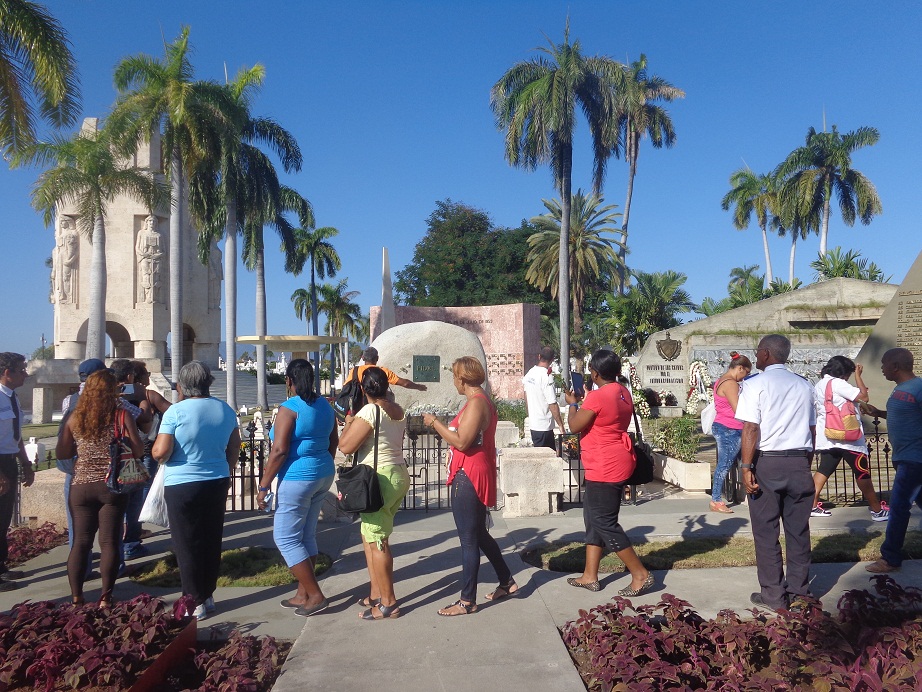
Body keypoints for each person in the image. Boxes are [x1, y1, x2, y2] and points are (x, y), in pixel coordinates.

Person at [423, 357, 517, 615]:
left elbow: (463, 442)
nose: (453, 381)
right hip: (474, 469)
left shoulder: (476, 403)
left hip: (470, 474)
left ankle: (467, 601)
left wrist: (435, 423)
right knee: (479, 534)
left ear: (462, 379)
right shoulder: (480, 401)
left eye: (454, 376)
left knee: (468, 540)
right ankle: (507, 581)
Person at [152, 361, 240, 620]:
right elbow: (234, 446)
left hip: (183, 483)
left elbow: (160, 451)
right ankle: (207, 593)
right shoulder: (225, 409)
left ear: (181, 386)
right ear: (208, 382)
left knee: (186, 542)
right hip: (216, 480)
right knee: (211, 539)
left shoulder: (175, 412)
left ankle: (194, 599)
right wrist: (225, 467)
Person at [563, 349, 654, 596]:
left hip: (605, 464)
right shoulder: (622, 391)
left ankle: (640, 574)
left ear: (594, 373)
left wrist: (573, 404)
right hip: (614, 459)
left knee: (604, 521)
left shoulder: (597, 397)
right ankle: (590, 576)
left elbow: (574, 426)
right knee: (593, 520)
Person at [736, 334, 816, 612]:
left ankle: (773, 595)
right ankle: (799, 592)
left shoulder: (755, 384)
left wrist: (746, 467)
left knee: (766, 532)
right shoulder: (805, 385)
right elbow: (812, 430)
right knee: (798, 531)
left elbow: (750, 428)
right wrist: (805, 462)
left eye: (758, 353)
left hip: (768, 462)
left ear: (767, 354)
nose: (755, 357)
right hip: (799, 462)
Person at [256, 359, 337, 618]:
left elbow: (279, 450)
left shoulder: (289, 409)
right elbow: (333, 441)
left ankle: (315, 595)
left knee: (286, 538)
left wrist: (264, 484)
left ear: (289, 381)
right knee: (306, 535)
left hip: (297, 479)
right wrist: (321, 463)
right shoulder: (325, 405)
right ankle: (303, 594)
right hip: (322, 473)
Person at [56, 370, 144, 605]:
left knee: (81, 542)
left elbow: (62, 452)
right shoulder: (120, 415)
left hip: (81, 485)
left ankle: (76, 596)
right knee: (109, 541)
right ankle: (106, 597)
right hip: (110, 484)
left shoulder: (75, 417)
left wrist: (82, 452)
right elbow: (138, 450)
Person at [339, 367, 411, 621]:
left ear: (362, 389)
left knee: (378, 540)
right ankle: (376, 592)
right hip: (397, 473)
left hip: (378, 478)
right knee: (370, 534)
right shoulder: (397, 409)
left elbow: (346, 446)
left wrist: (349, 423)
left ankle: (389, 603)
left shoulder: (370, 411)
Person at [864, 348, 922, 573]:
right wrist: (878, 413)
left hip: (914, 460)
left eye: (883, 364)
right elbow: (907, 414)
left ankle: (890, 558)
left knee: (898, 507)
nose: (881, 368)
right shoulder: (900, 390)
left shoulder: (918, 388)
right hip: (905, 458)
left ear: (895, 366)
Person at [810, 356, 888, 521]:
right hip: (848, 437)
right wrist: (859, 376)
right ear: (843, 372)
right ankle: (877, 510)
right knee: (862, 472)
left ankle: (812, 505)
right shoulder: (838, 383)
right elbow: (863, 397)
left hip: (829, 436)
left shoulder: (820, 384)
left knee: (824, 469)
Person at [123, 360, 172, 558]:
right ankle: (133, 533)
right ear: (137, 376)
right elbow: (173, 410)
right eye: (146, 374)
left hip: (125, 451)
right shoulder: (148, 395)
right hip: (145, 448)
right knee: (141, 490)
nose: (149, 378)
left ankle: (132, 529)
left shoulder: (119, 396)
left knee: (128, 493)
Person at [0, 352, 35, 592]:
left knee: (3, 519)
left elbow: (17, 436)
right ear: (6, 372)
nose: (26, 373)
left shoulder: (13, 397)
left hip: (10, 461)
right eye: (21, 370)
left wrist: (26, 463)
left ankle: (2, 567)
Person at [709, 352, 753, 513]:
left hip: (724, 426)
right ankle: (716, 500)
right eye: (745, 373)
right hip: (730, 428)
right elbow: (738, 410)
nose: (744, 377)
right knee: (724, 465)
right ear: (740, 368)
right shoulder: (731, 384)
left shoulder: (721, 380)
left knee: (734, 464)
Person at [344, 347, 427, 412]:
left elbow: (345, 389)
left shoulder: (354, 371)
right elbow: (405, 383)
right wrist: (419, 386)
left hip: (358, 408)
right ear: (377, 358)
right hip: (377, 408)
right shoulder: (382, 371)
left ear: (362, 358)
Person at [522, 346, 565, 449]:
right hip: (544, 426)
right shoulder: (546, 377)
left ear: (539, 356)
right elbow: (552, 404)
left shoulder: (529, 374)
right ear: (552, 360)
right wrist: (560, 425)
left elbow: (526, 396)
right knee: (548, 460)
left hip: (534, 424)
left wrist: (530, 415)